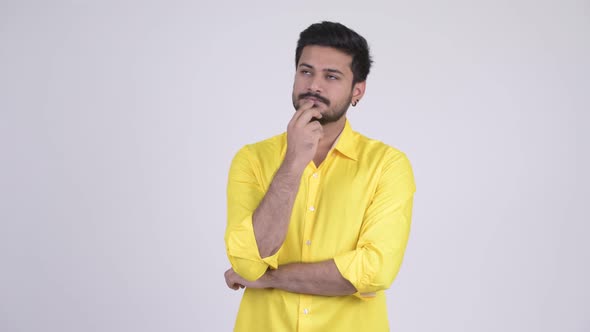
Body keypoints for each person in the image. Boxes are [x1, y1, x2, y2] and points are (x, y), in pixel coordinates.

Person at [223, 21, 416, 332]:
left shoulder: (388, 165)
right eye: (306, 71)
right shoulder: (251, 160)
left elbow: (374, 272)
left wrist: (269, 278)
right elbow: (248, 262)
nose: (314, 85)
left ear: (358, 91)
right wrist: (293, 162)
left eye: (332, 76)